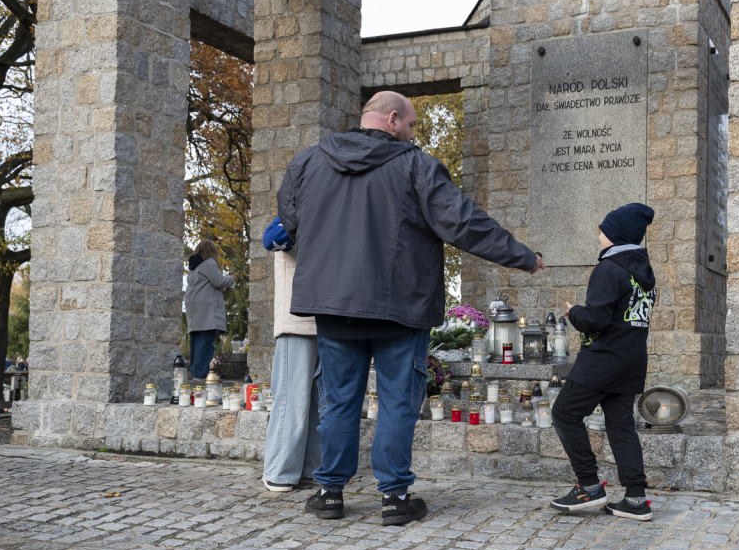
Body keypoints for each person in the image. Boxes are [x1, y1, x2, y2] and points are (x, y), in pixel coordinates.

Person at [278, 90, 543, 525]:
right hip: (398, 306)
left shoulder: (308, 161)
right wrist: (521, 255)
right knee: (398, 401)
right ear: (394, 119)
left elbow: (289, 218)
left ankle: (330, 493)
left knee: (339, 400)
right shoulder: (415, 166)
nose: (414, 133)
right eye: (413, 125)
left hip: (333, 303)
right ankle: (394, 500)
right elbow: (462, 221)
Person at [550, 203, 657, 521]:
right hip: (632, 360)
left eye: (602, 230)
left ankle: (589, 486)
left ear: (616, 235)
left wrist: (574, 313)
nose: (599, 235)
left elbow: (595, 320)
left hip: (603, 359)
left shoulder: (609, 269)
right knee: (621, 426)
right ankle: (636, 499)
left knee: (565, 413)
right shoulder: (643, 275)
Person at [260, 217, 322, 493]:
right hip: (297, 319)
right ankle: (282, 471)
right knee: (293, 397)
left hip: (322, 317)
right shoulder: (297, 211)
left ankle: (303, 469)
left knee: (314, 400)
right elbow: (270, 239)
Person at [185, 239, 234, 380]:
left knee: (196, 343)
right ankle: (200, 376)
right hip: (206, 310)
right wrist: (230, 279)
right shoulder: (209, 263)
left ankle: (195, 373)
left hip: (194, 308)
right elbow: (218, 281)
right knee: (206, 343)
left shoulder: (194, 267)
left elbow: (205, 286)